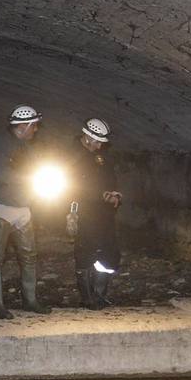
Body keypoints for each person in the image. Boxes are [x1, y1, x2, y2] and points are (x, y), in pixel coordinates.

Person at [0, 106, 47, 319]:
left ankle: (30, 301)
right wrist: (27, 178)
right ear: (23, 126)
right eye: (34, 125)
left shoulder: (28, 147)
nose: (36, 129)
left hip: (24, 207)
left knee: (29, 255)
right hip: (2, 206)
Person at [69, 118, 121, 309]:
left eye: (102, 142)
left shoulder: (101, 157)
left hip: (104, 213)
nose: (100, 146)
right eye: (97, 141)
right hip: (84, 211)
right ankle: (87, 297)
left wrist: (114, 193)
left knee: (109, 252)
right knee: (85, 251)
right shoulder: (73, 156)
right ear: (87, 136)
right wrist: (100, 195)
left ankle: (100, 294)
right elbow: (73, 186)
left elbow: (109, 177)